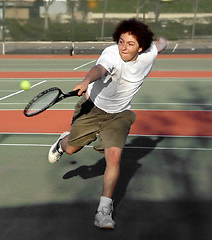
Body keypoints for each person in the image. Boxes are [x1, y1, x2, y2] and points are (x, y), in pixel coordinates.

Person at [48, 19, 167, 229]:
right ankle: (62, 142)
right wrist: (86, 81)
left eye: (130, 44)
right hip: (91, 109)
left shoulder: (149, 54)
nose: (124, 47)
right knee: (71, 149)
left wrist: (162, 42)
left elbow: (158, 46)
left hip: (119, 115)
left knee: (114, 157)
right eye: (121, 41)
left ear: (141, 47)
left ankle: (103, 211)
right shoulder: (111, 54)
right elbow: (100, 69)